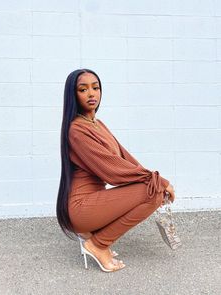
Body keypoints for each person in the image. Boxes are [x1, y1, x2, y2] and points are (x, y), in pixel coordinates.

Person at [56, 68, 176, 273]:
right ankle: (98, 244)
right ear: (73, 95)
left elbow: (124, 159)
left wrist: (154, 178)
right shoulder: (76, 130)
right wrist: (160, 182)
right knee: (153, 191)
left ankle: (95, 238)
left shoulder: (97, 123)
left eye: (96, 87)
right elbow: (111, 170)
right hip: (81, 208)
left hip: (95, 202)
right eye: (83, 89)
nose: (92, 93)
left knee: (153, 187)